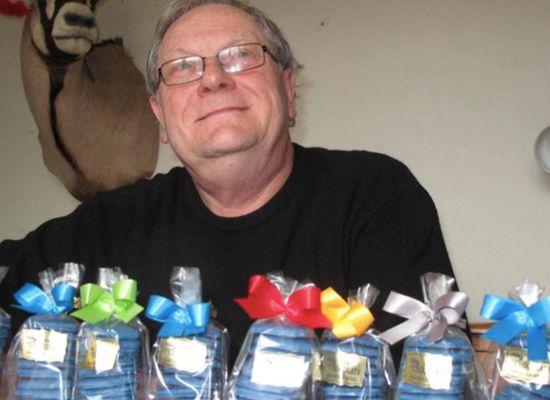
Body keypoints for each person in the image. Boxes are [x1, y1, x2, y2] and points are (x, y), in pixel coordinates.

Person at [0, 0, 457, 364]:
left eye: (240, 56)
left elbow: (425, 373)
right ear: (160, 117)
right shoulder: (111, 221)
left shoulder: (374, 196)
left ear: (288, 90)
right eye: (182, 66)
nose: (213, 79)